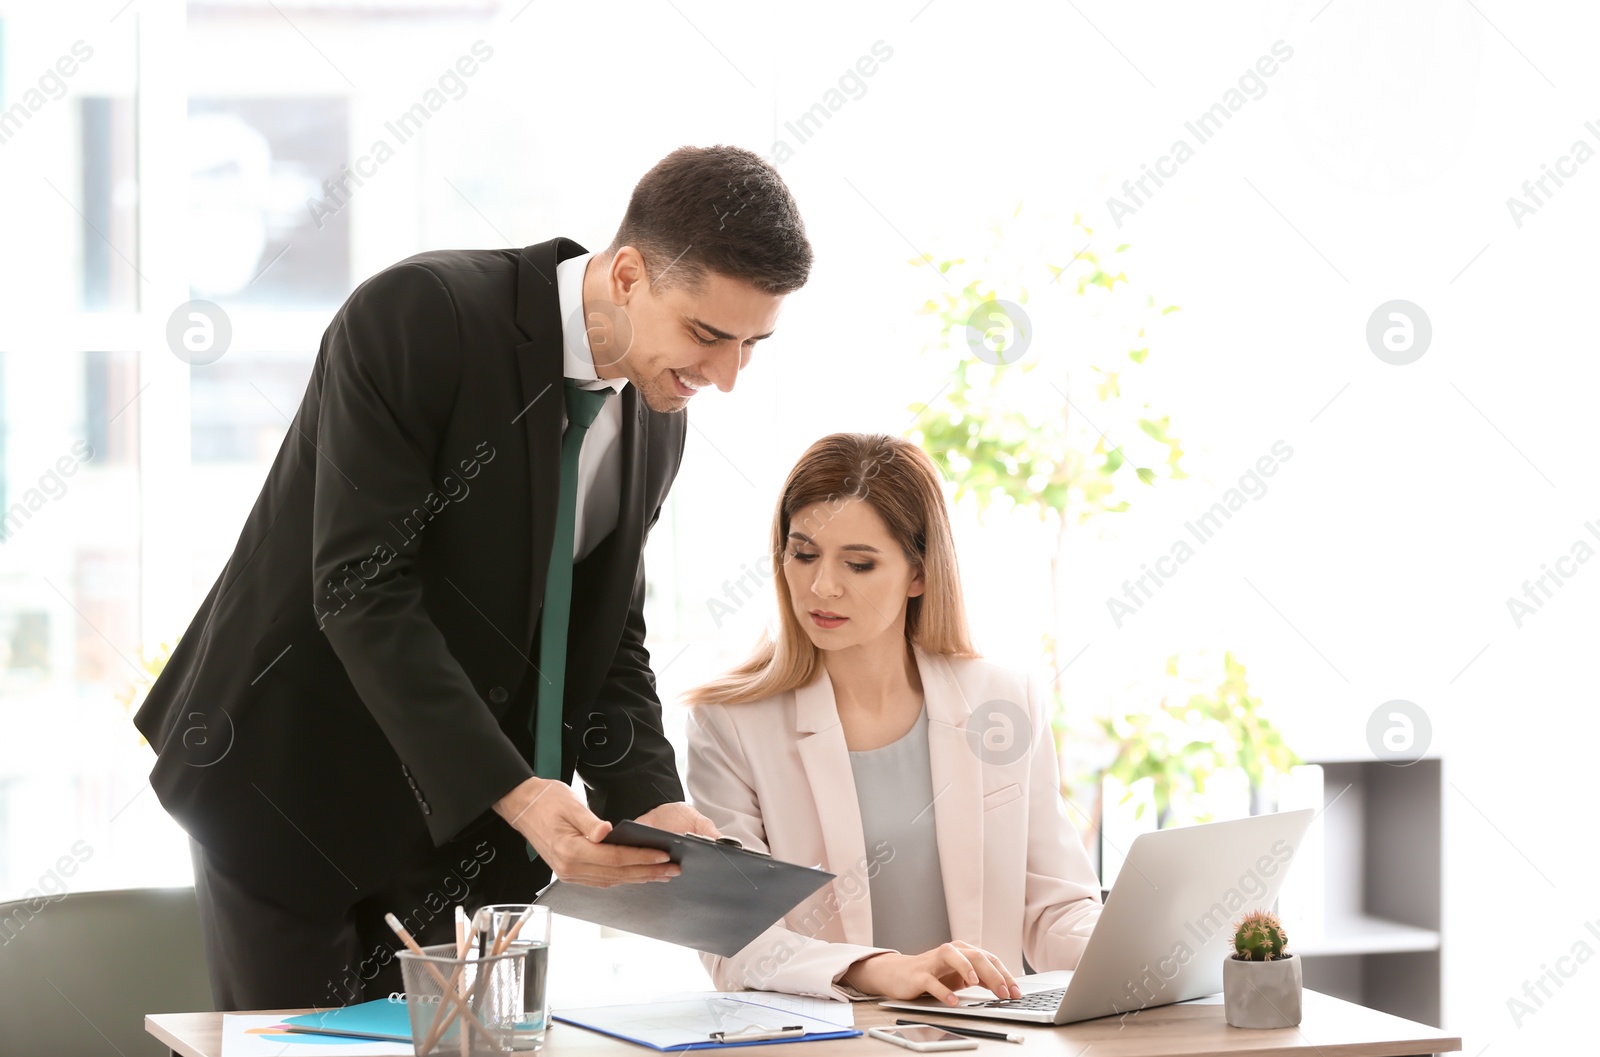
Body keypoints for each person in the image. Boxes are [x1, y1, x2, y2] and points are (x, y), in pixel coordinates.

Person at [133, 145, 812, 1010]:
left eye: (753, 344)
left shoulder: (657, 417)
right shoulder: (423, 316)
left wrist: (654, 801)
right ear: (632, 274)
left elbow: (607, 630)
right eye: (708, 335)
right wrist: (515, 789)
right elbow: (361, 582)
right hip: (291, 781)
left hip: (463, 828)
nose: (724, 378)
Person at [683, 432, 1103, 1004]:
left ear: (919, 575)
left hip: (988, 1043)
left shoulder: (1003, 701)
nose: (821, 586)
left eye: (858, 564)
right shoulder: (730, 721)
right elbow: (733, 937)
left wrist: (1161, 945)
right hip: (827, 1047)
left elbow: (1055, 910)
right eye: (803, 553)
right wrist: (874, 969)